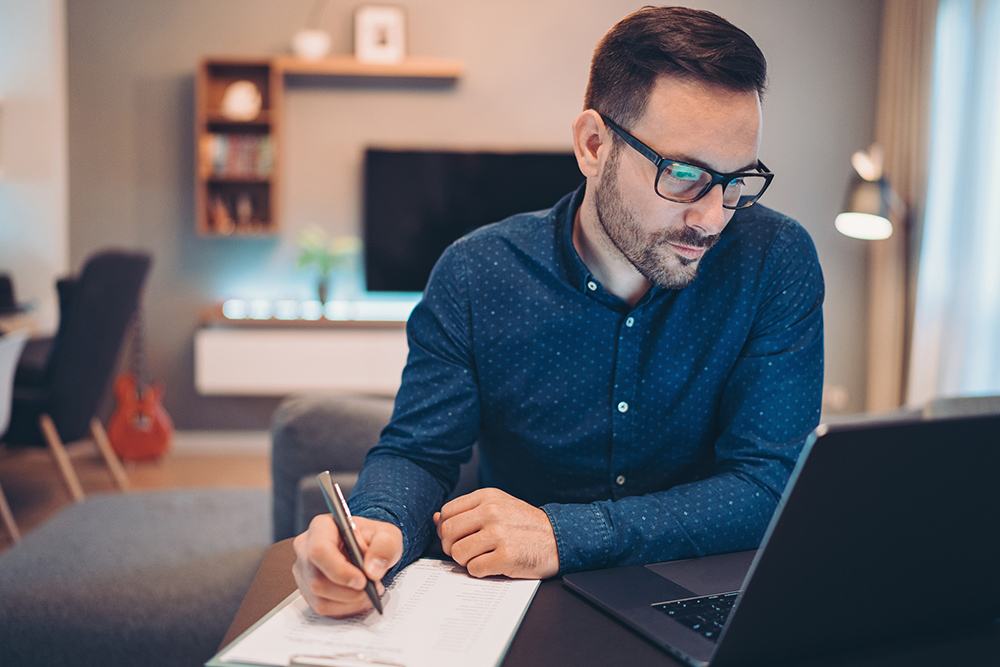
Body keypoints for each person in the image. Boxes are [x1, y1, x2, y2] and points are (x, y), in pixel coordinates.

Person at [294, 5, 824, 618]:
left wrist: (565, 534)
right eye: (683, 175)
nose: (712, 217)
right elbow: (419, 453)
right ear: (594, 145)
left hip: (705, 596)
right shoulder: (475, 274)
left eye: (737, 181)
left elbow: (769, 483)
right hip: (519, 604)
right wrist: (375, 528)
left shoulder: (775, 261)